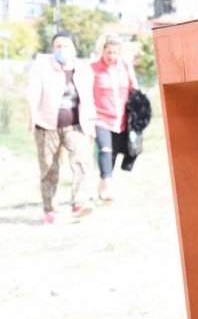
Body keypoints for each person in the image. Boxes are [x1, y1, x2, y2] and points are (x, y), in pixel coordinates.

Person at [26, 29, 96, 224]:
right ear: (52, 49)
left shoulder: (83, 69)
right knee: (49, 168)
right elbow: (33, 91)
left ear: (74, 48)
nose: (61, 49)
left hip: (75, 125)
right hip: (46, 125)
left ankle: (79, 203)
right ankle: (50, 209)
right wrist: (32, 113)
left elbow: (88, 98)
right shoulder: (42, 66)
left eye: (65, 45)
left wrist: (91, 123)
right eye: (57, 46)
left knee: (82, 160)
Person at [90, 34, 138, 201]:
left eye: (114, 52)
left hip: (121, 119)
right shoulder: (93, 68)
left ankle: (102, 186)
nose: (111, 56)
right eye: (108, 52)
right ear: (102, 51)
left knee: (113, 154)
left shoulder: (125, 67)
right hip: (100, 118)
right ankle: (109, 188)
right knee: (105, 149)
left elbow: (134, 89)